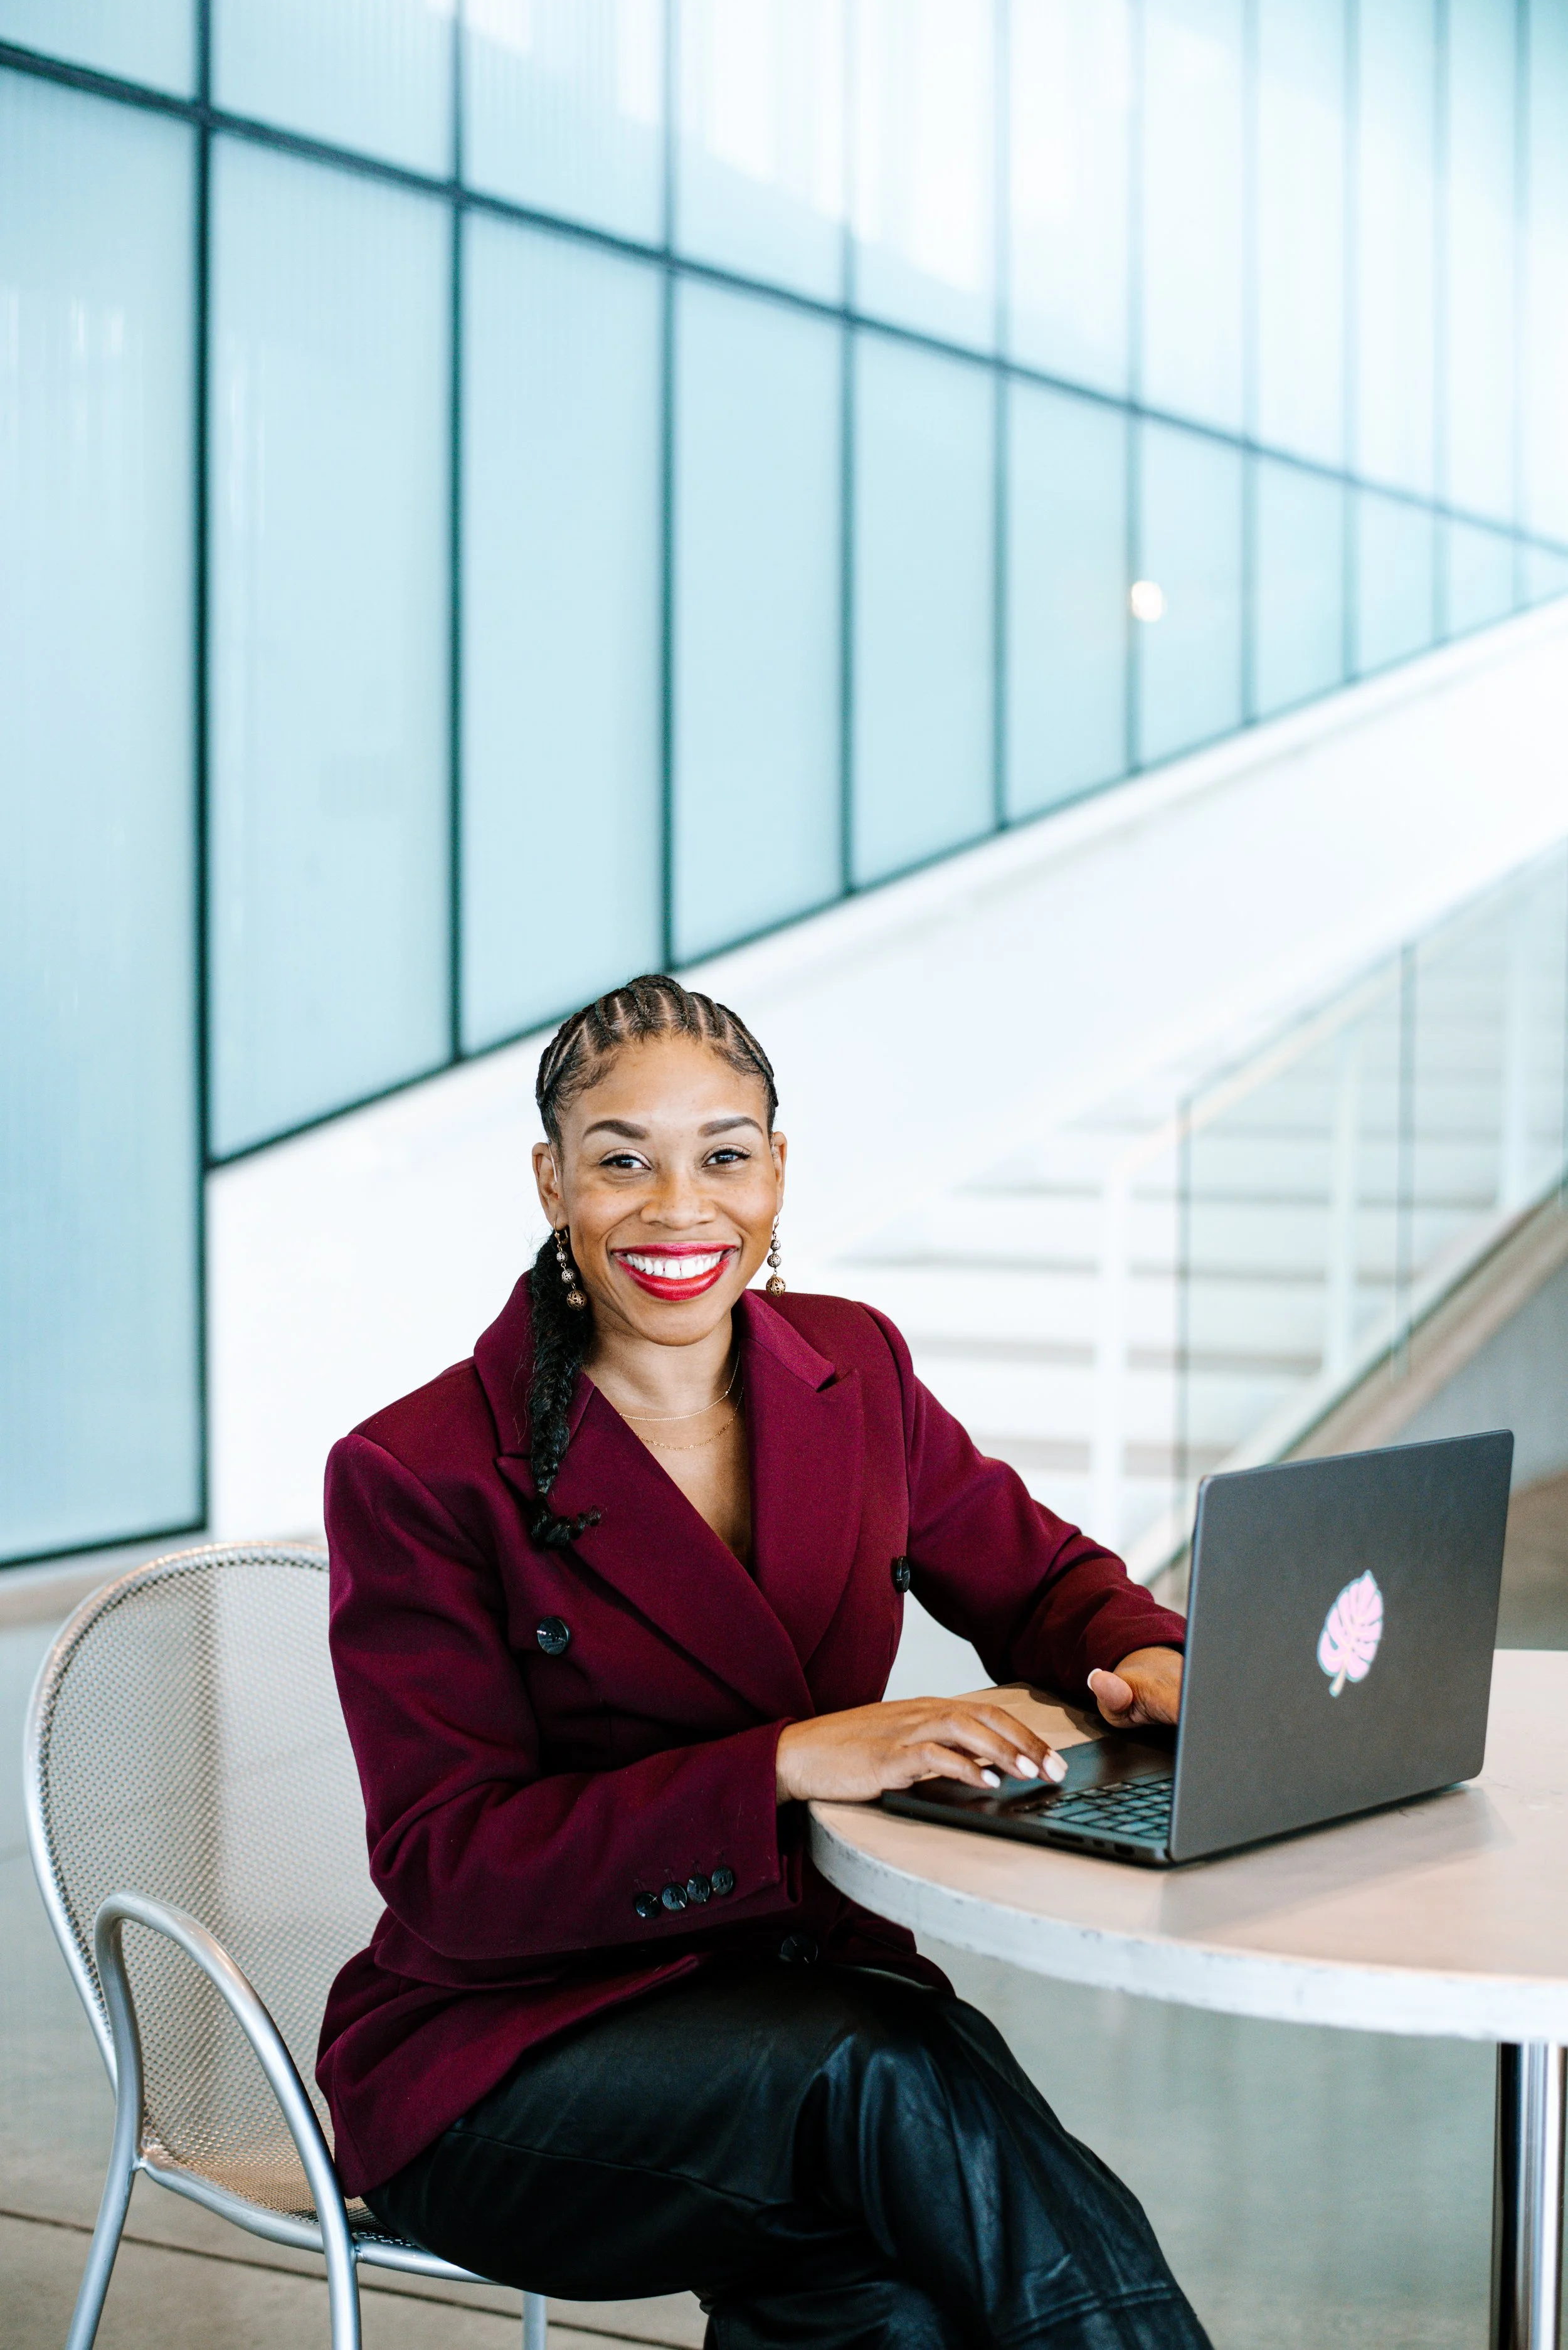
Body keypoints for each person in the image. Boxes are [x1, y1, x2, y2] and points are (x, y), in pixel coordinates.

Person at [319, 975, 1210, 2350]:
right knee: (881, 2070)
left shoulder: (853, 1371)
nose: (679, 1210)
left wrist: (1138, 1649)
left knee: (873, 2290)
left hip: (797, 2017)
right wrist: (786, 1763)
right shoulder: (418, 1469)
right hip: (508, 2071)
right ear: (552, 1182)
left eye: (723, 1156)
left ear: (777, 1170)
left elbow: (1035, 1575)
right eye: (622, 1162)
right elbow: (450, 1873)